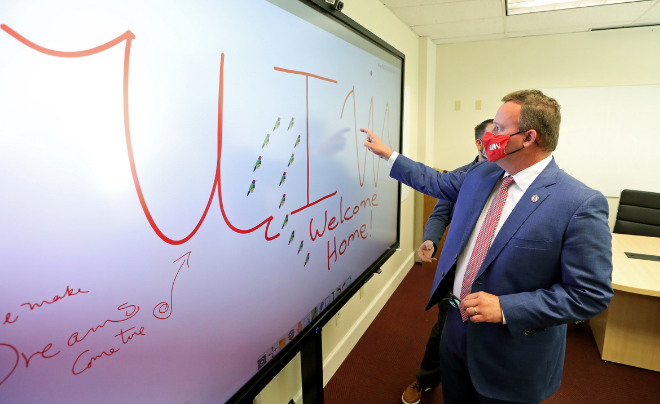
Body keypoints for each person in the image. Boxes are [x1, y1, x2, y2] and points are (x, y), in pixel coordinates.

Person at [364, 90, 613, 404]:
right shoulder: (482, 173)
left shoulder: (579, 203)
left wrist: (508, 309)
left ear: (528, 137)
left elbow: (590, 293)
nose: (488, 137)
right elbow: (436, 182)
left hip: (511, 352)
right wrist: (389, 155)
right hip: (455, 330)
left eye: (497, 128)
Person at [403, 119, 493, 404]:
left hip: (493, 277)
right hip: (456, 276)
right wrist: (431, 239)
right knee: (444, 331)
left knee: (489, 338)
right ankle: (426, 379)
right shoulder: (459, 177)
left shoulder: (513, 180)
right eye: (495, 136)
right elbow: (441, 214)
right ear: (480, 144)